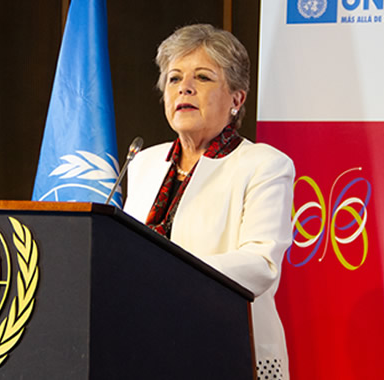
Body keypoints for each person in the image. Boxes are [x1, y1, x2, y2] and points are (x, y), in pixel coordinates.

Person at [123, 24, 294, 380]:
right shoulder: (144, 163)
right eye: (174, 79)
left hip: (224, 347)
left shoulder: (264, 164)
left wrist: (167, 270)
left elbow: (262, 263)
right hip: (144, 344)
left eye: (202, 77)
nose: (184, 87)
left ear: (236, 99)